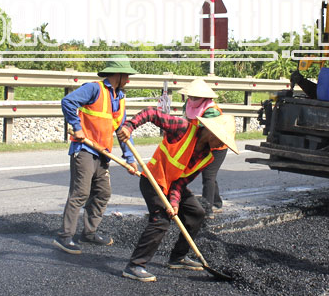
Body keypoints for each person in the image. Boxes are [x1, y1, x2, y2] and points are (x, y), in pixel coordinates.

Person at [115, 86, 238, 282]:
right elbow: (151, 113)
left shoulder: (206, 157)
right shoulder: (182, 128)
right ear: (210, 132)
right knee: (161, 220)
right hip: (153, 181)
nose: (221, 145)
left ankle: (178, 257)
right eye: (220, 140)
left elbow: (181, 183)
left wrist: (174, 202)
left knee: (196, 212)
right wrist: (130, 126)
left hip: (171, 185)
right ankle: (135, 266)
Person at [53, 55, 139, 254]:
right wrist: (77, 127)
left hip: (102, 153)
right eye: (126, 75)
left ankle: (89, 233)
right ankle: (64, 236)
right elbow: (67, 102)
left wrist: (130, 159)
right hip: (84, 149)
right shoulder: (94, 89)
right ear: (117, 75)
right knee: (81, 193)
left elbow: (122, 131)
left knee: (102, 193)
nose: (128, 80)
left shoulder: (120, 98)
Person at [177, 79, 229, 218]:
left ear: (204, 97)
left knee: (208, 175)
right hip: (201, 144)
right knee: (209, 176)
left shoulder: (211, 110)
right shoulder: (187, 106)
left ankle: (208, 211)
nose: (193, 99)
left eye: (196, 97)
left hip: (217, 146)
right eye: (191, 96)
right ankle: (216, 202)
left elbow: (208, 132)